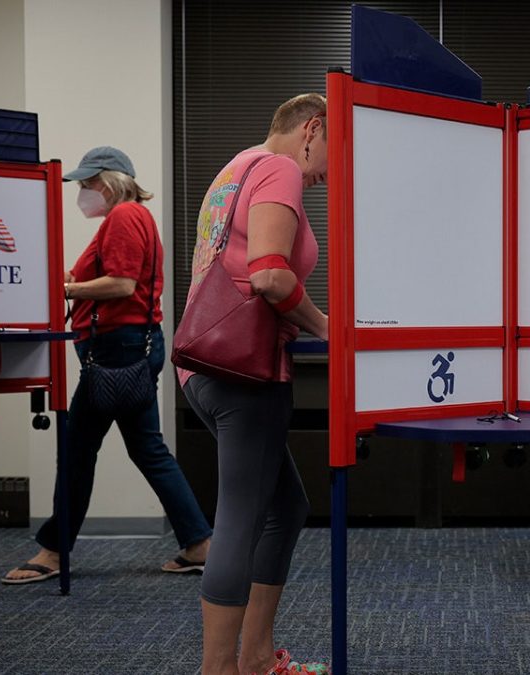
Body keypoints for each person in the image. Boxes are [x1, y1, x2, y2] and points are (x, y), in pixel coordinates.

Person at [2, 147, 212, 584]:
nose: (83, 192)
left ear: (112, 180)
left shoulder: (122, 218)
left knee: (78, 450)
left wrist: (66, 292)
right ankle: (199, 544)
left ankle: (53, 551)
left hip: (117, 350)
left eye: (88, 183)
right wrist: (71, 282)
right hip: (131, 347)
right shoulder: (132, 218)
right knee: (147, 449)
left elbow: (121, 284)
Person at [179, 94, 329, 675]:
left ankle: (258, 658)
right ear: (311, 129)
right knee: (240, 519)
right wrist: (327, 327)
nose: (321, 179)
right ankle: (220, 671)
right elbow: (268, 272)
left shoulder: (234, 168)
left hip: (206, 370)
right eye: (329, 160)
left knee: (285, 507)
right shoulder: (281, 167)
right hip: (243, 373)